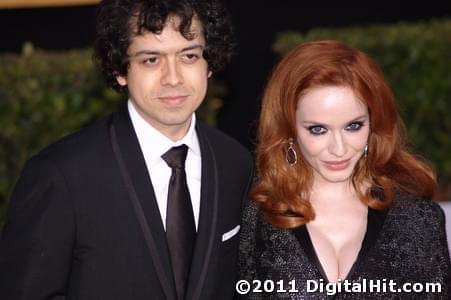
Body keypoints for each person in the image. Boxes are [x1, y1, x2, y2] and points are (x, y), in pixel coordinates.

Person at [0, 0, 253, 299]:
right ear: (121, 70)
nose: (173, 78)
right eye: (151, 60)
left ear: (208, 64)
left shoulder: (235, 163)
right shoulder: (62, 175)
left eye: (189, 56)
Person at [238, 40, 450, 299]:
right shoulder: (254, 213)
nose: (338, 149)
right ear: (288, 129)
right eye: (318, 129)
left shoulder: (420, 219)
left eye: (353, 126)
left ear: (374, 123)